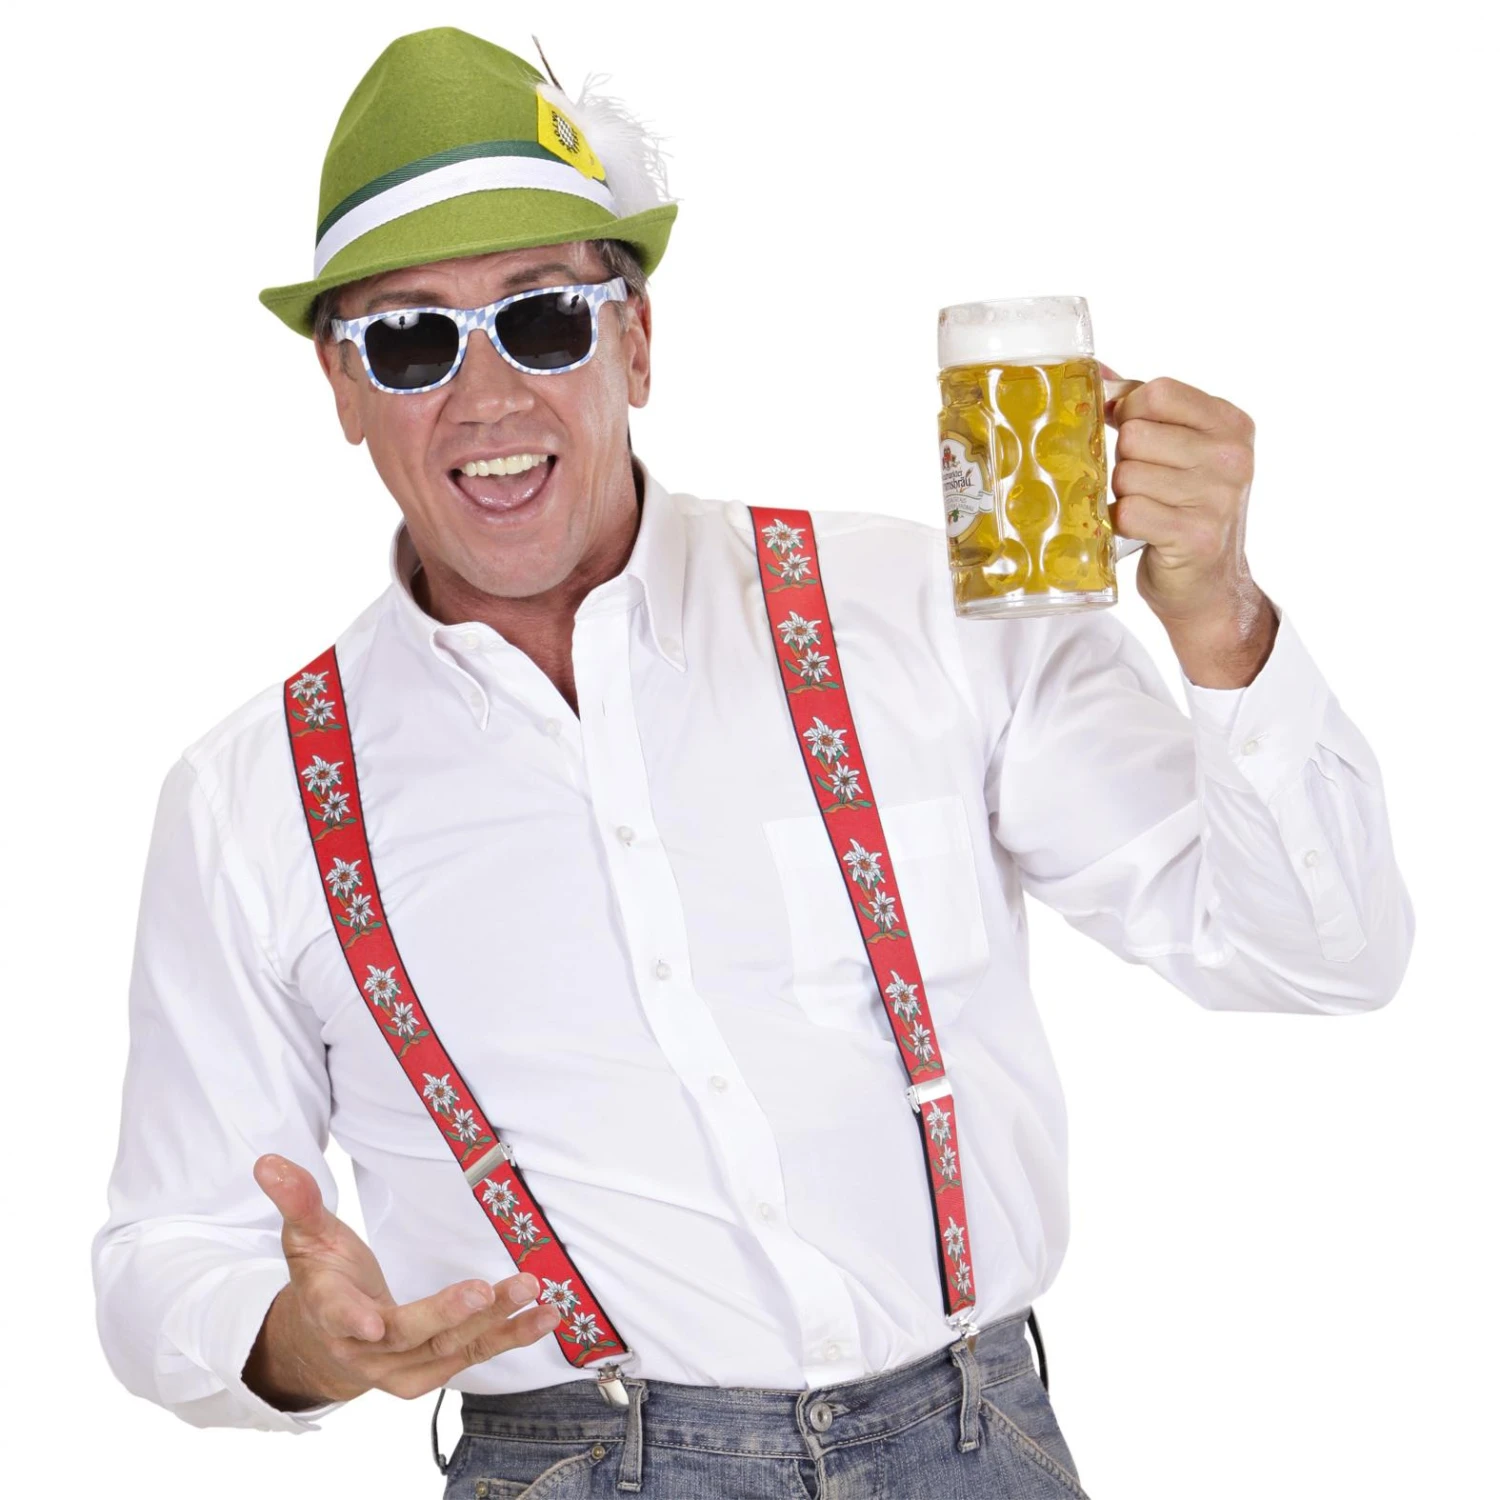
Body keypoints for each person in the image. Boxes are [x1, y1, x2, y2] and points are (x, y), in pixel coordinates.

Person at [91, 25, 1415, 1499]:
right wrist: (291, 1344)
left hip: (974, 1448)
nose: (487, 396)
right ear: (344, 391)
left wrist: (1221, 618)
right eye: (411, 340)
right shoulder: (250, 801)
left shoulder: (922, 615)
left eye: (544, 318)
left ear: (637, 342)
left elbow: (1322, 956)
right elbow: (166, 1249)